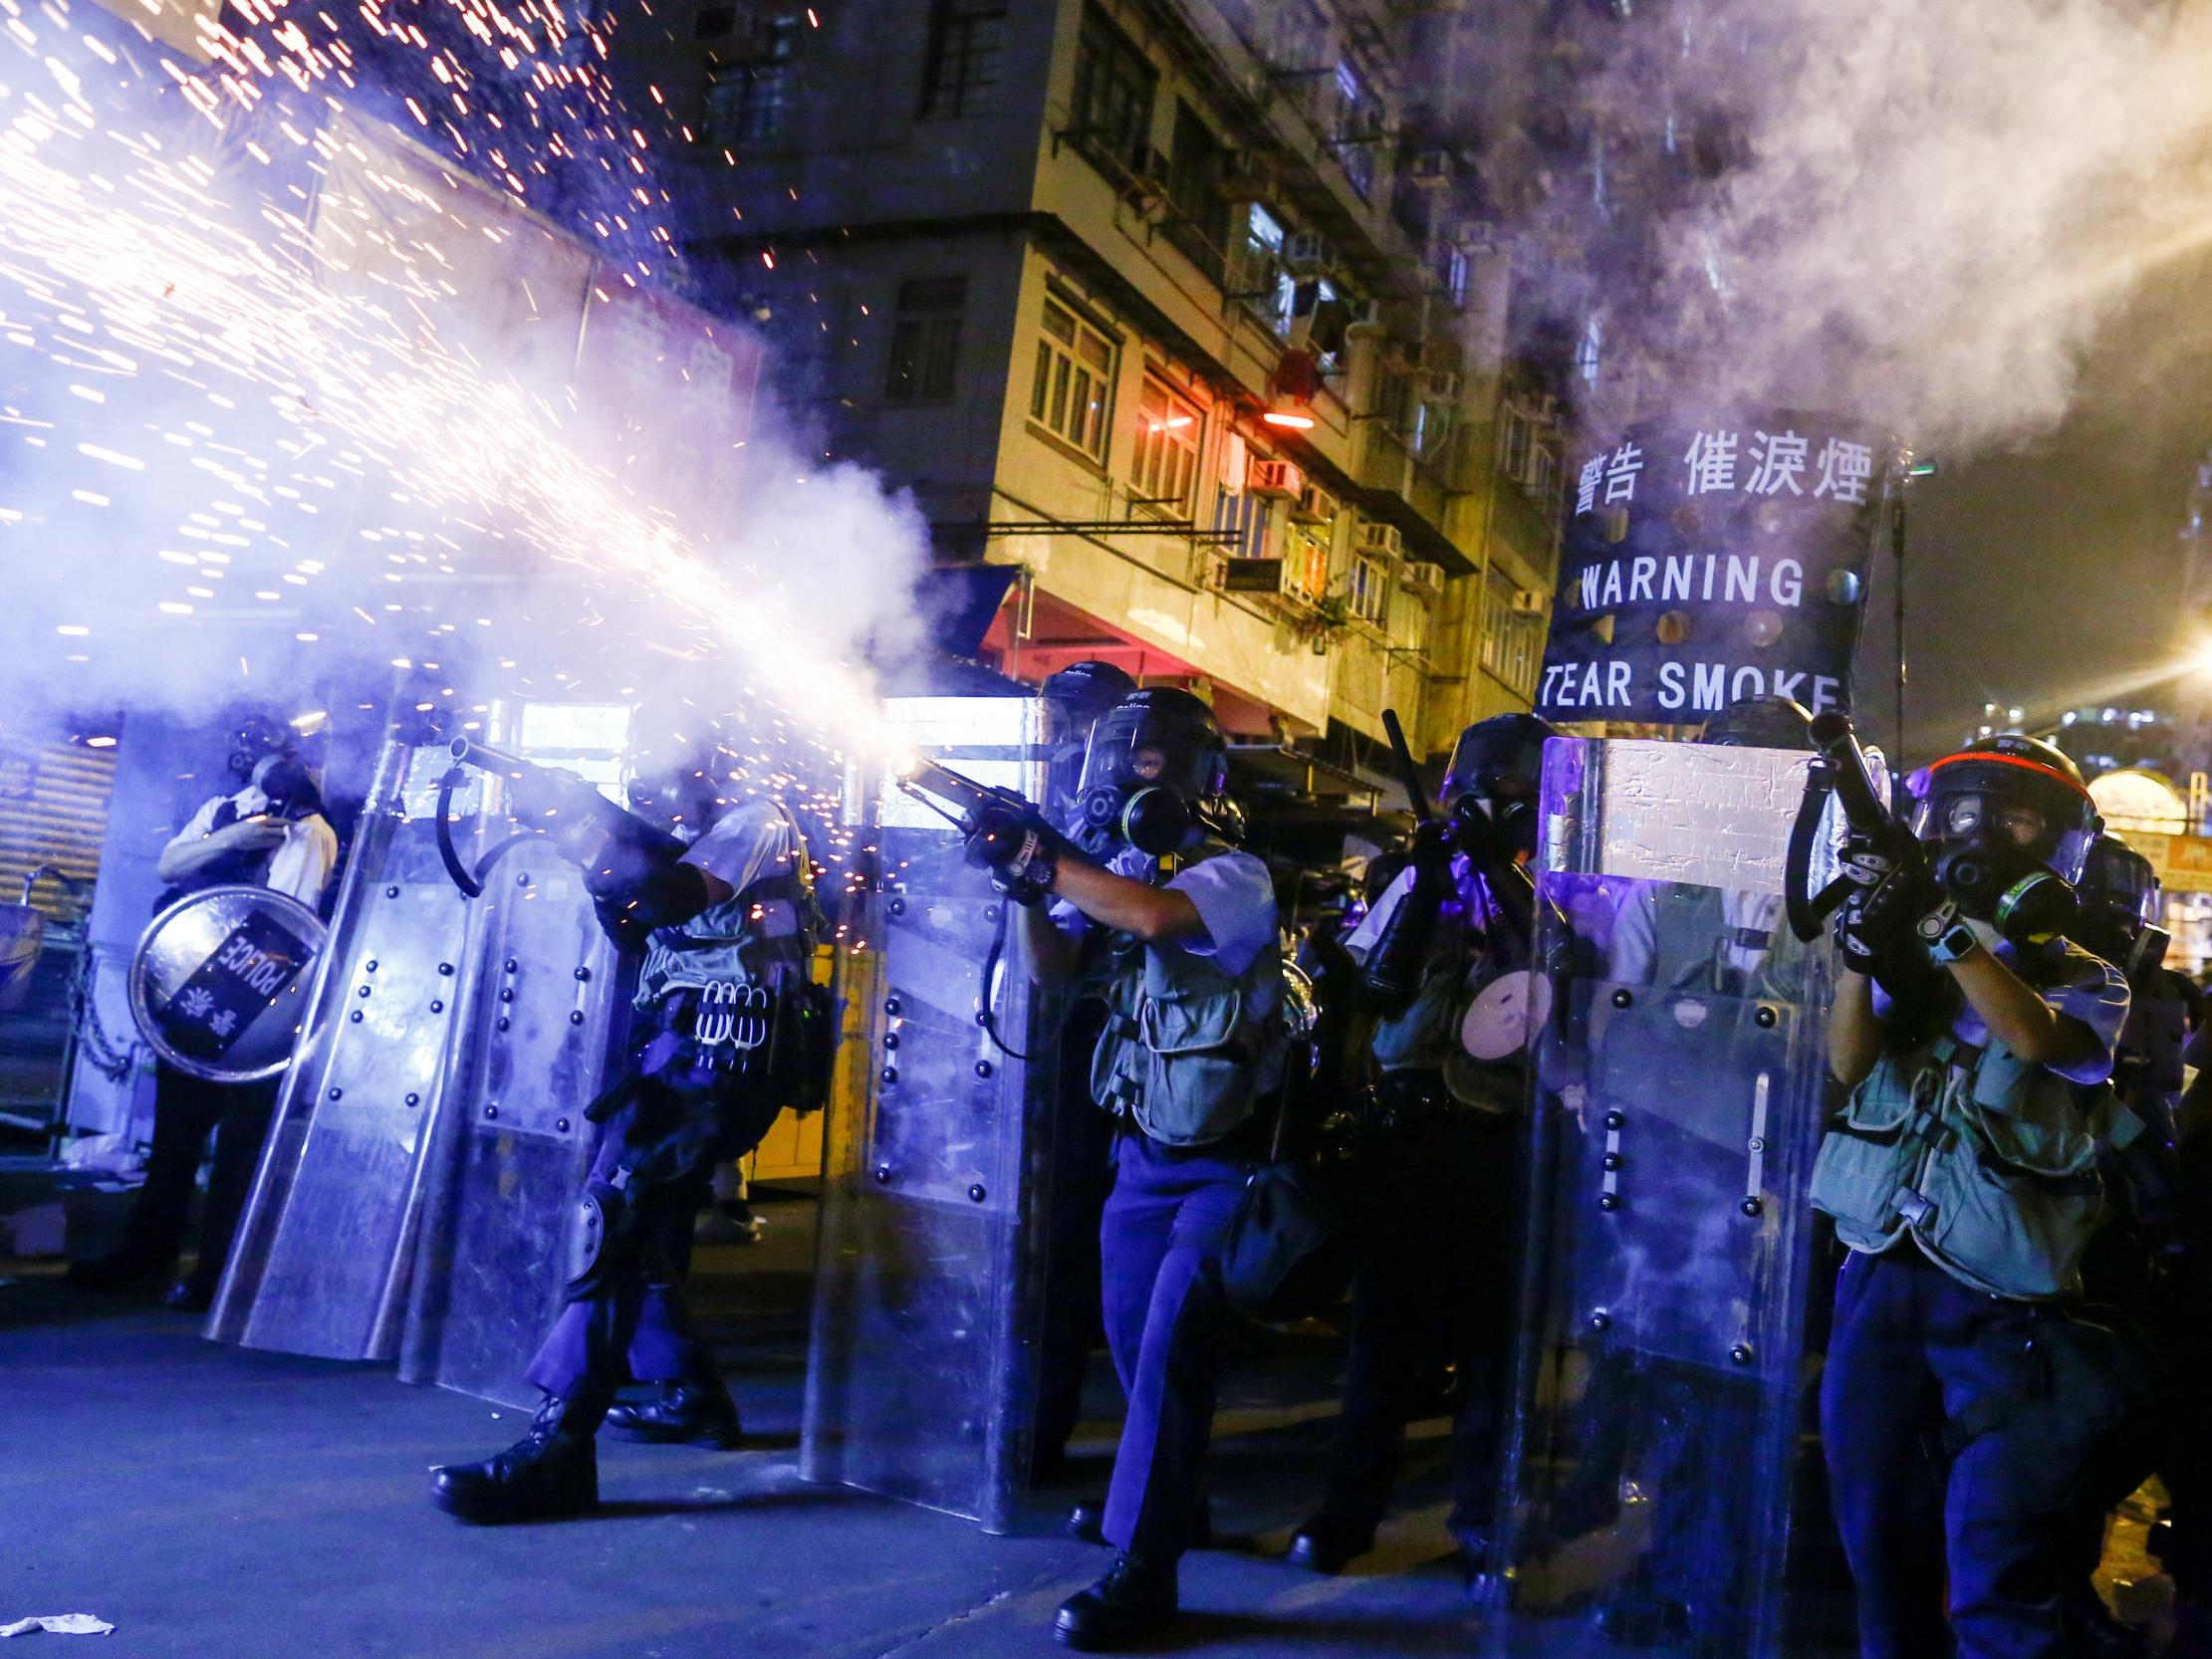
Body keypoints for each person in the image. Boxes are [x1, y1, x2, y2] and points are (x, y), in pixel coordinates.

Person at [429, 737, 827, 1525]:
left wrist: (582, 831)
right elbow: (638, 930)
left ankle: (560, 1449)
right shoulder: (686, 835)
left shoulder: (755, 820)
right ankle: (688, 1393)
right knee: (631, 1229)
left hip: (727, 1052)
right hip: (683, 1047)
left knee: (610, 1223)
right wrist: (592, 846)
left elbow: (677, 897)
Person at [971, 686, 1285, 1651]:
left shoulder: (1234, 870)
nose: (1132, 771)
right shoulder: (1105, 868)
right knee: (1128, 1339)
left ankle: (1145, 1566)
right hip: (1140, 1156)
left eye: (1153, 757)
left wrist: (1048, 862)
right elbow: (1053, 972)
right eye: (1123, 755)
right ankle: (1171, 1507)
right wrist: (1026, 889)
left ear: (1193, 772)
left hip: (1224, 1166)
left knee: (1168, 1353)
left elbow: (1152, 920)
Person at [1813, 731, 2139, 1659]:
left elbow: (2038, 1042)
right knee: (1872, 1530)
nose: (1984, 829)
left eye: (2018, 815)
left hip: (1999, 1303)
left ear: (2059, 841)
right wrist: (1859, 953)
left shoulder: (2088, 974)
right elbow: (1846, 1062)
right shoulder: (1915, 954)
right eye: (1964, 811)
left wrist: (1944, 933)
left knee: (1993, 1548)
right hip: (1880, 1273)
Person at [1283, 711, 1554, 1581]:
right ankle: (1345, 1514)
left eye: (1512, 791)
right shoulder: (1411, 875)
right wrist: (1429, 877)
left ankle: (1481, 1523)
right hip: (1403, 1132)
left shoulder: (1563, 884)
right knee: (1382, 1345)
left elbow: (1566, 963)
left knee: (1489, 1348)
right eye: (1481, 790)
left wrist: (1492, 868)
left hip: (1500, 1139)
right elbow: (1374, 984)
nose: (1493, 805)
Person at [67, 714, 338, 1311]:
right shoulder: (221, 809)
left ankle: (219, 1276)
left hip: (259, 1014)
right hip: (194, 997)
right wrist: (234, 841)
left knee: (238, 1158)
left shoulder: (308, 829)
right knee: (173, 1145)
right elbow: (171, 865)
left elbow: (287, 918)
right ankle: (145, 1256)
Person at [1031, 660, 1138, 1485]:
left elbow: (1115, 924)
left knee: (1072, 1254)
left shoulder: (1144, 834)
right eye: (1055, 725)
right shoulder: (1055, 815)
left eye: (1078, 728)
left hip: (1105, 1070)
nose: (1063, 744)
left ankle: (1045, 1427)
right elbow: (1045, 961)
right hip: (1031, 1063)